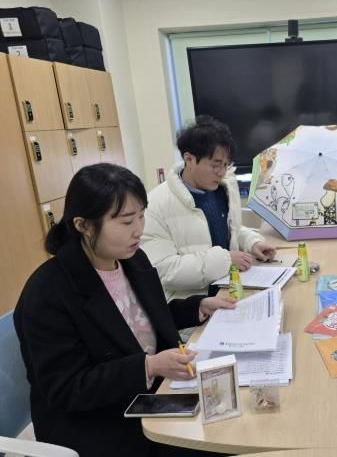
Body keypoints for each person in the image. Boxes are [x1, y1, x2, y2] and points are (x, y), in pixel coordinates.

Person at [14, 163, 236, 457]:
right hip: (99, 421)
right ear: (83, 225)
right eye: (126, 221)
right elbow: (67, 387)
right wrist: (148, 367)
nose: (138, 230)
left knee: (230, 417)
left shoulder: (133, 260)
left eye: (141, 216)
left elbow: (142, 321)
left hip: (152, 395)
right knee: (216, 445)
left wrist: (197, 306)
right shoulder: (49, 292)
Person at [141, 115, 276, 302]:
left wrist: (252, 243)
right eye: (215, 165)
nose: (221, 173)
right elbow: (164, 271)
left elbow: (229, 231)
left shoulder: (222, 189)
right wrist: (225, 261)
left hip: (230, 291)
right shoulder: (156, 205)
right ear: (189, 160)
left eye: (225, 165)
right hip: (192, 307)